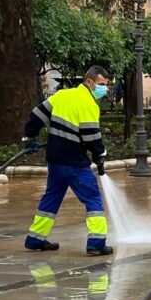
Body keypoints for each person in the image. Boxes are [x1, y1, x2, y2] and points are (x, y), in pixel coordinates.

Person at [22, 66, 111, 256]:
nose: (105, 89)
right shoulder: (88, 104)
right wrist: (100, 154)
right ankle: (96, 243)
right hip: (75, 163)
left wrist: (30, 136)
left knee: (52, 197)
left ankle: (35, 238)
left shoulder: (62, 95)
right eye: (102, 84)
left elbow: (37, 113)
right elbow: (91, 137)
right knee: (93, 197)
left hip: (55, 161)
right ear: (90, 82)